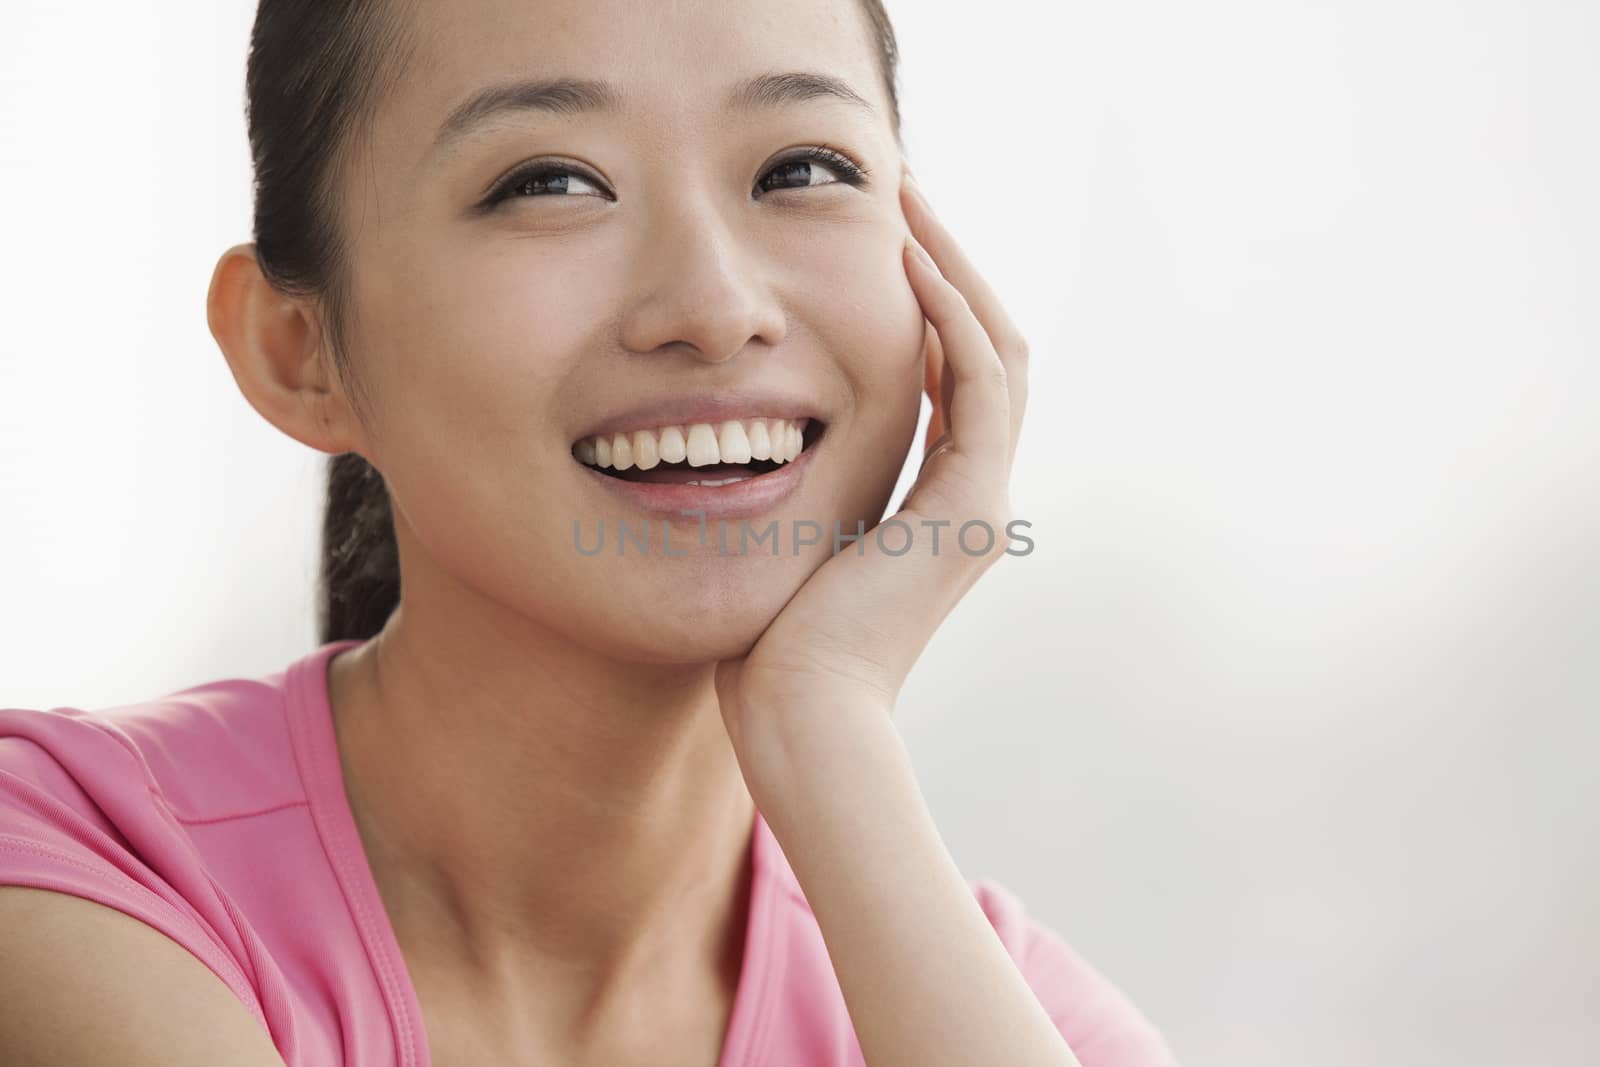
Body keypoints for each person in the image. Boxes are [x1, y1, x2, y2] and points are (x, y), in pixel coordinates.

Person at [0, 1, 1181, 1064]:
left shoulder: (1016, 1014)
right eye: (551, 183)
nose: (716, 310)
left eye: (801, 167)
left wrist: (826, 720)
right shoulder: (75, 861)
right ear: (297, 351)